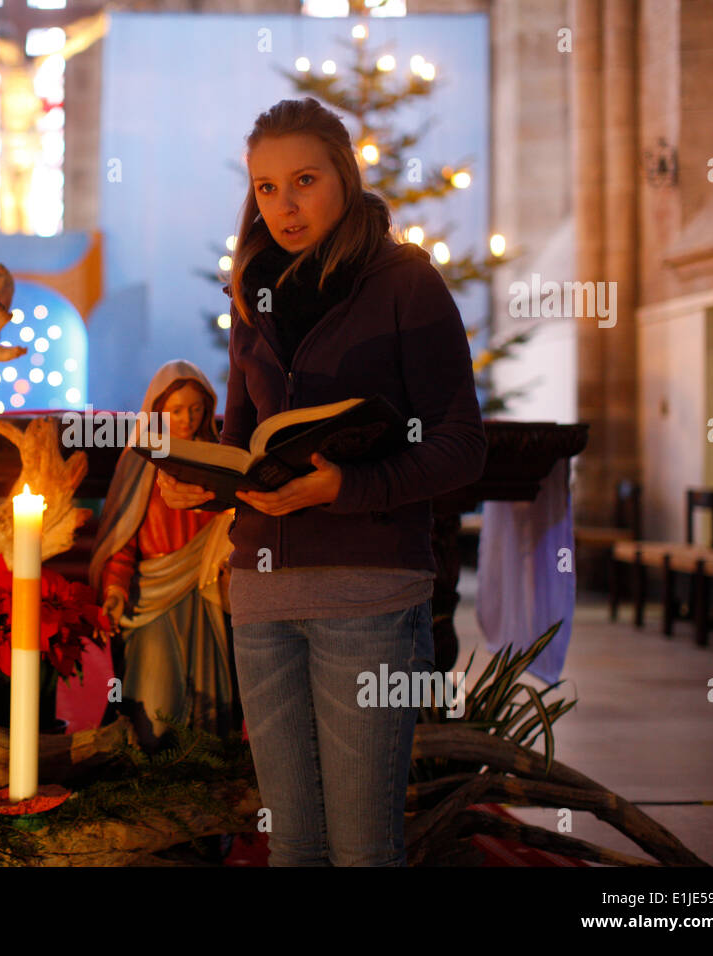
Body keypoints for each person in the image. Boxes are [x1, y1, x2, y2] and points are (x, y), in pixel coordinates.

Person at [158, 98, 488, 866]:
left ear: (344, 174)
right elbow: (243, 443)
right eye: (266, 187)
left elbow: (461, 445)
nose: (284, 205)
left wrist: (348, 486)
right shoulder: (251, 291)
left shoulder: (405, 283)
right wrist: (203, 483)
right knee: (293, 846)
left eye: (304, 180)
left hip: (368, 594)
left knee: (364, 849)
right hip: (261, 594)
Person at [88, 360, 237, 753]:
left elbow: (233, 528)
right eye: (176, 410)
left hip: (206, 591)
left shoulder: (216, 458)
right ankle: (149, 774)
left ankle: (205, 775)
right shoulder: (140, 461)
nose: (187, 419)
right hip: (151, 597)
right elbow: (121, 537)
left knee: (208, 697)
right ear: (157, 411)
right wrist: (115, 589)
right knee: (155, 699)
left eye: (197, 409)